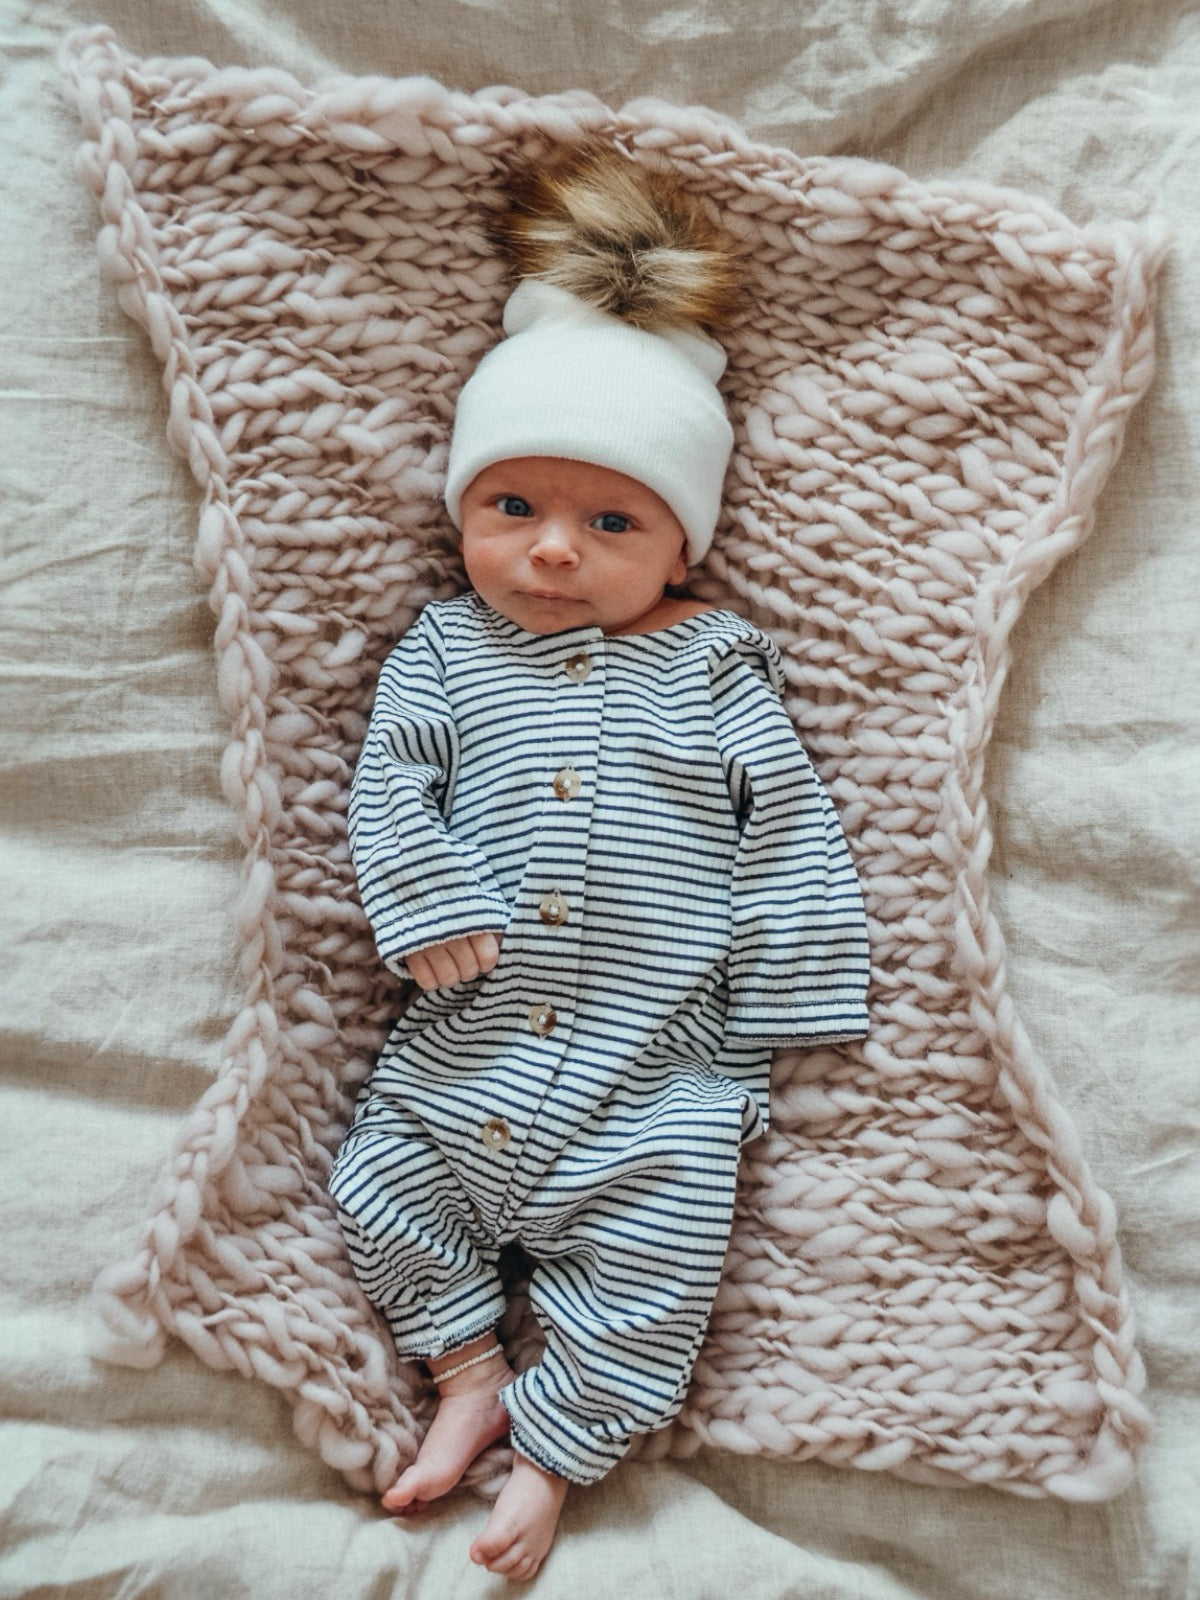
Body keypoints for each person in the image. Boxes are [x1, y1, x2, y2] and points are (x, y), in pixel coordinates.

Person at [330, 147, 871, 1581]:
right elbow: (390, 786)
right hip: (468, 1046)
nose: (554, 551)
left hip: (656, 1072)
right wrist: (425, 893)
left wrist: (789, 990)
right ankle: (466, 1374)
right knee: (378, 1186)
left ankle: (556, 1455)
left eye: (610, 522)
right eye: (513, 509)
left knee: (659, 1266)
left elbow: (788, 817)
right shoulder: (446, 650)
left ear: (681, 551)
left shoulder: (713, 661)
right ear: (462, 513)